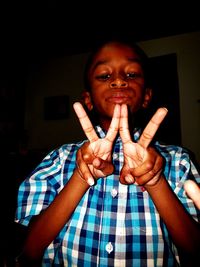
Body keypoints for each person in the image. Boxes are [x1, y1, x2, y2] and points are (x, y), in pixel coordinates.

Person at [15, 36, 200, 267]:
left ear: (147, 97)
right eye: (104, 76)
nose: (119, 81)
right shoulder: (59, 158)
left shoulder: (178, 160)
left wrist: (155, 182)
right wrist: (81, 177)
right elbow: (29, 250)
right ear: (88, 100)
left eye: (131, 74)